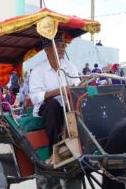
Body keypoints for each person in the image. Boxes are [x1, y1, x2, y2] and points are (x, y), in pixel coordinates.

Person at [29, 34, 80, 164]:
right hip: (47, 107)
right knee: (53, 105)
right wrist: (59, 91)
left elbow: (76, 85)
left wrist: (74, 88)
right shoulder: (38, 71)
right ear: (46, 49)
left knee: (80, 102)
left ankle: (82, 143)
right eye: (57, 45)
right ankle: (54, 152)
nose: (62, 48)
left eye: (63, 45)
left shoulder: (69, 66)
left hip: (66, 103)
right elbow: (36, 97)